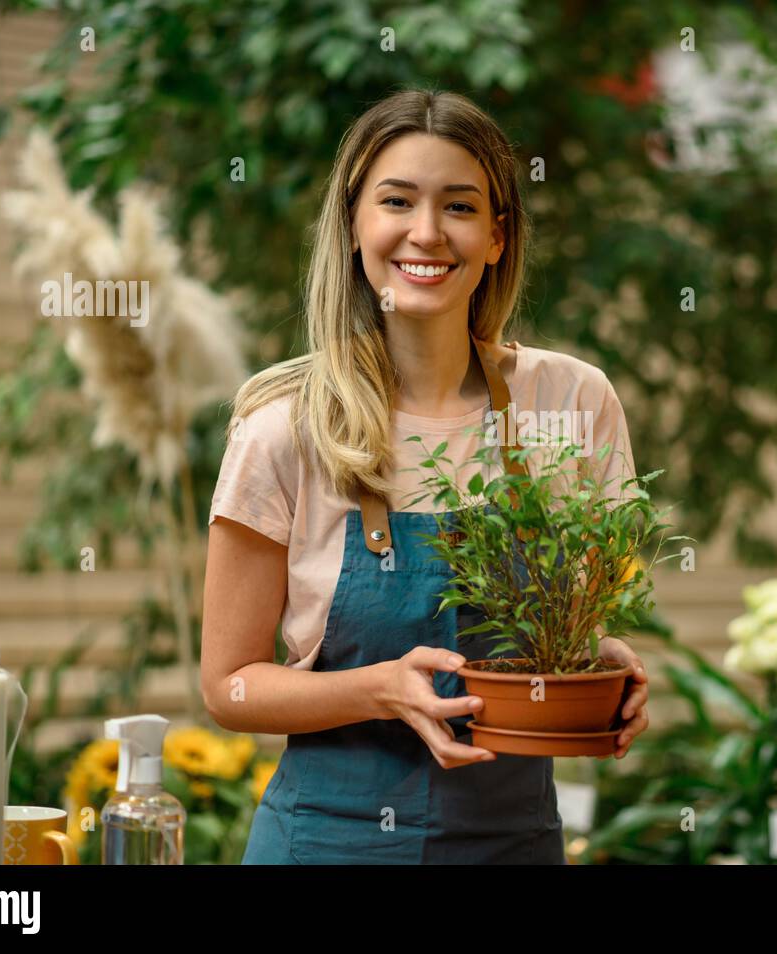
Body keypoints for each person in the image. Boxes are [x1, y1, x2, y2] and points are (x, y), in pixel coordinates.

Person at [201, 88, 649, 864]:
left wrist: (597, 667)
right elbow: (228, 686)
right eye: (397, 201)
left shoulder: (573, 402)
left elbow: (577, 630)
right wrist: (378, 688)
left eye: (461, 206)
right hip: (327, 844)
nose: (427, 233)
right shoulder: (283, 429)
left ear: (498, 236)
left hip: (514, 844)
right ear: (352, 225)